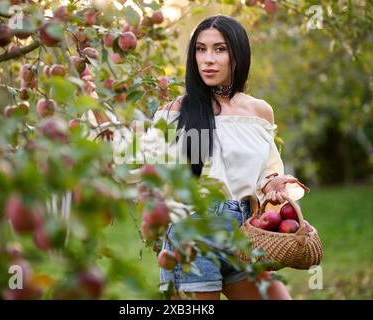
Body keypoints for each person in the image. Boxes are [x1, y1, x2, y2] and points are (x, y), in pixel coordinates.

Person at [110, 14, 308, 300]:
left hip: (244, 232)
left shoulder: (258, 111)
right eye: (200, 49)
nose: (208, 59)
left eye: (219, 49)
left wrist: (274, 185)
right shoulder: (177, 111)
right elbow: (143, 167)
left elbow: (266, 172)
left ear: (238, 53)